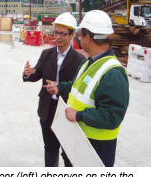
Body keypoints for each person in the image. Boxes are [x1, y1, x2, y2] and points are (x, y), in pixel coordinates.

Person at [45, 10, 130, 167]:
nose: (78, 38)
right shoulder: (88, 63)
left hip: (95, 148)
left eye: (80, 35)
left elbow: (112, 116)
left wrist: (79, 115)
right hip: (78, 140)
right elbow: (77, 86)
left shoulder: (113, 73)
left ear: (88, 38)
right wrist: (60, 88)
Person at [23, 13, 86, 167]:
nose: (57, 37)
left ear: (71, 35)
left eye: (62, 34)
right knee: (50, 148)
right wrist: (27, 73)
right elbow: (36, 74)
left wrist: (60, 89)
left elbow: (79, 88)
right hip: (47, 109)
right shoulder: (46, 54)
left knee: (68, 151)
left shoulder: (80, 61)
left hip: (67, 110)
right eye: (55, 33)